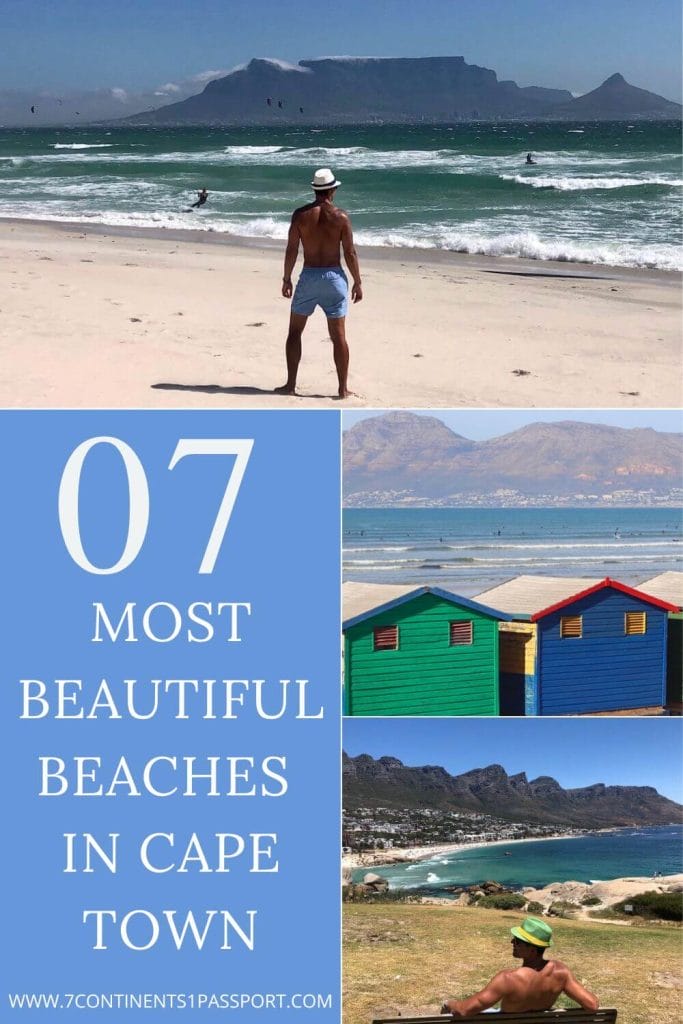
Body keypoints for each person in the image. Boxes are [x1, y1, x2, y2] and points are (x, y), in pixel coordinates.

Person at [276, 167, 362, 399]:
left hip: (309, 276)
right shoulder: (341, 217)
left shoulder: (301, 215)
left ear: (315, 190)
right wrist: (357, 281)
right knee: (339, 336)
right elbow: (350, 253)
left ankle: (290, 384)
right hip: (334, 278)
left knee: (295, 331)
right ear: (332, 190)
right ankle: (342, 389)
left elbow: (292, 249)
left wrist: (286, 278)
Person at [441, 917, 599, 1017]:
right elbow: (592, 1005)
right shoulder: (561, 972)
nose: (512, 943)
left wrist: (450, 1004)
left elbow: (463, 1011)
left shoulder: (508, 979)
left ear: (532, 949)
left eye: (517, 941)